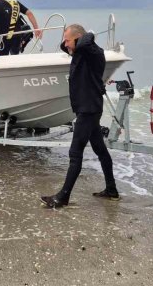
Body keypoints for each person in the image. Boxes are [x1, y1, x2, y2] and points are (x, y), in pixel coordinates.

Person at [41, 24, 118, 208]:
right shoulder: (81, 52)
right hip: (89, 108)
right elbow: (71, 45)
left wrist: (87, 34)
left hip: (88, 110)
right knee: (100, 150)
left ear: (79, 38)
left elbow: (85, 41)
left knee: (75, 153)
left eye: (68, 40)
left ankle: (63, 197)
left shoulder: (92, 52)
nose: (65, 45)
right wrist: (69, 40)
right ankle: (112, 190)